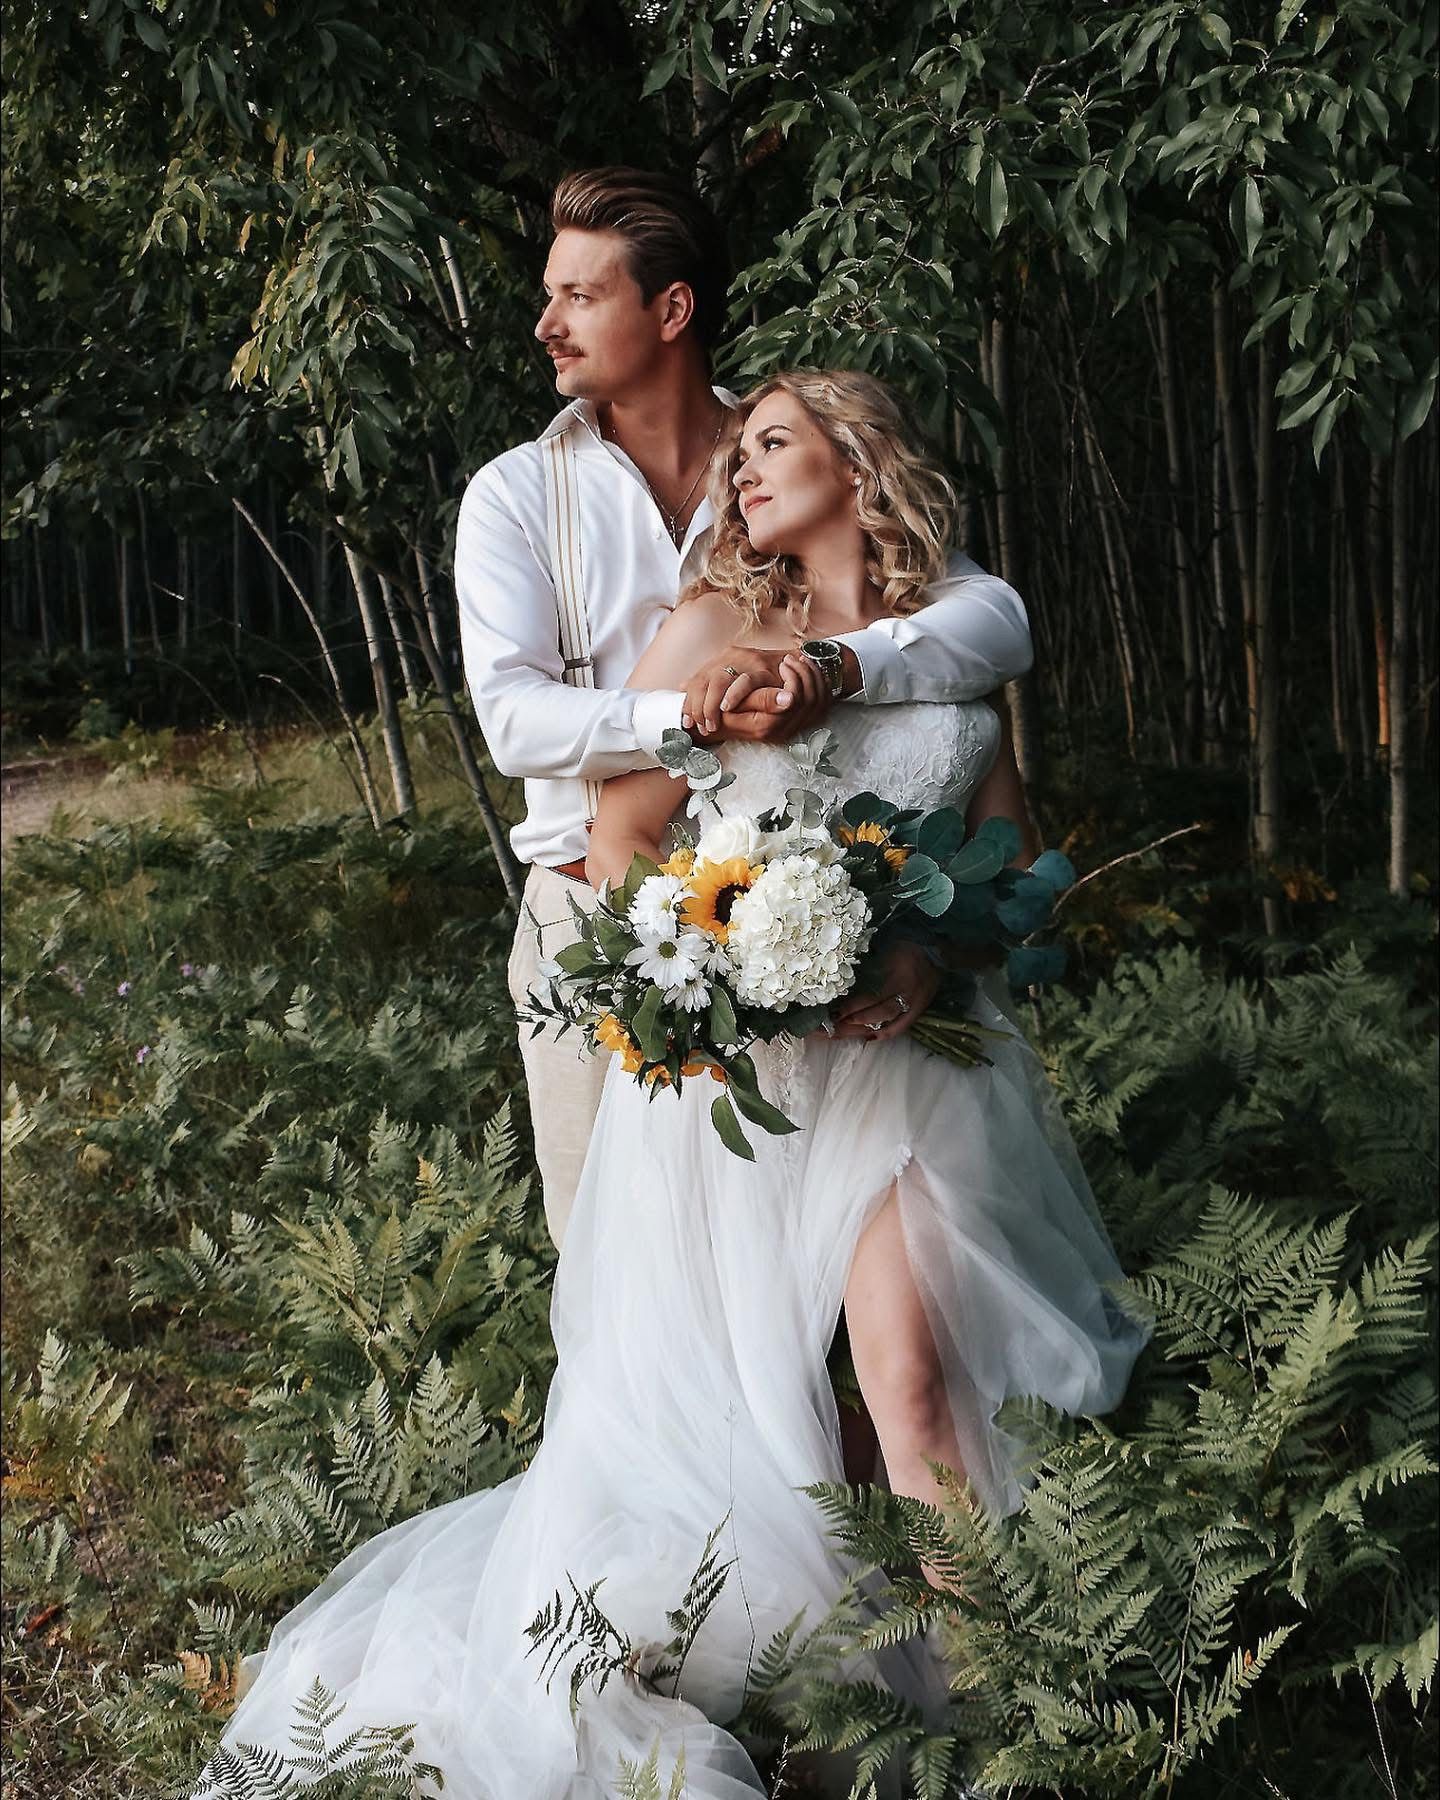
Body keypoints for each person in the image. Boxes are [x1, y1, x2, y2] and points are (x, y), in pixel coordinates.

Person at [196, 370, 1147, 1799]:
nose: (743, 473)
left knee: (919, 1386)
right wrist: (719, 966)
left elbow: (1011, 855)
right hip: (747, 1092)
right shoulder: (712, 629)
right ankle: (844, 1690)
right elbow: (618, 845)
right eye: (739, 454)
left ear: (859, 457)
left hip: (917, 1080)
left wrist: (926, 970)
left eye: (774, 445)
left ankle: (999, 1723)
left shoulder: (953, 636)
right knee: (759, 1418)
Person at [454, 166, 1034, 1255]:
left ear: (670, 311)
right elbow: (514, 726)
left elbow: (986, 619)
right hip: (598, 904)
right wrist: (703, 709)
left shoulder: (791, 448)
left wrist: (827, 666)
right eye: (552, 294)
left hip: (832, 907)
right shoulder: (518, 494)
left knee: (827, 1286)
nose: (547, 323)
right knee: (625, 1271)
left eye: (580, 295)